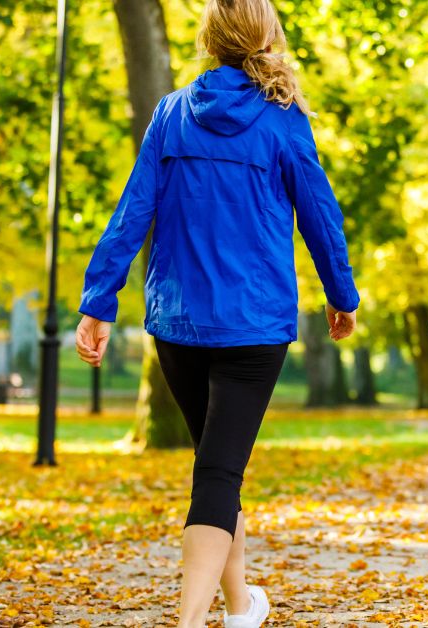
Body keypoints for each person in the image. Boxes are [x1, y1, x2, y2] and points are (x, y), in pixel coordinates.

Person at [73, 0, 359, 625]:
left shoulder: (172, 112)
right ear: (267, 37)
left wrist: (99, 301)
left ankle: (241, 605)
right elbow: (320, 215)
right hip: (253, 326)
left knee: (217, 469)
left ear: (209, 39)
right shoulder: (282, 118)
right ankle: (190, 621)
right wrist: (342, 296)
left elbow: (132, 210)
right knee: (219, 473)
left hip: (179, 324)